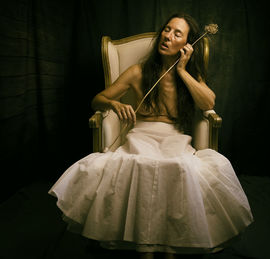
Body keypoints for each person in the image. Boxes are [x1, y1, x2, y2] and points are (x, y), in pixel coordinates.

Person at [49, 13, 253, 259]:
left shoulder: (188, 74)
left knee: (178, 164)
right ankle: (142, 244)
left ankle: (169, 244)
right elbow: (97, 99)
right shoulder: (138, 72)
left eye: (177, 33)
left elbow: (208, 102)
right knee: (141, 162)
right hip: (141, 134)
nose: (168, 36)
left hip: (174, 137)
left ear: (188, 45)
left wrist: (182, 71)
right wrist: (115, 104)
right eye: (167, 29)